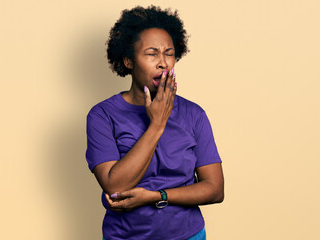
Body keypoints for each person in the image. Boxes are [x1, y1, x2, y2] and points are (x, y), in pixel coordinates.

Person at [85, 5, 224, 240]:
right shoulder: (102, 116)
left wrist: (157, 196)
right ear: (128, 61)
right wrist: (157, 124)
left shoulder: (194, 114)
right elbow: (115, 186)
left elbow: (215, 188)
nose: (163, 63)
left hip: (189, 235)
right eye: (152, 54)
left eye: (169, 53)